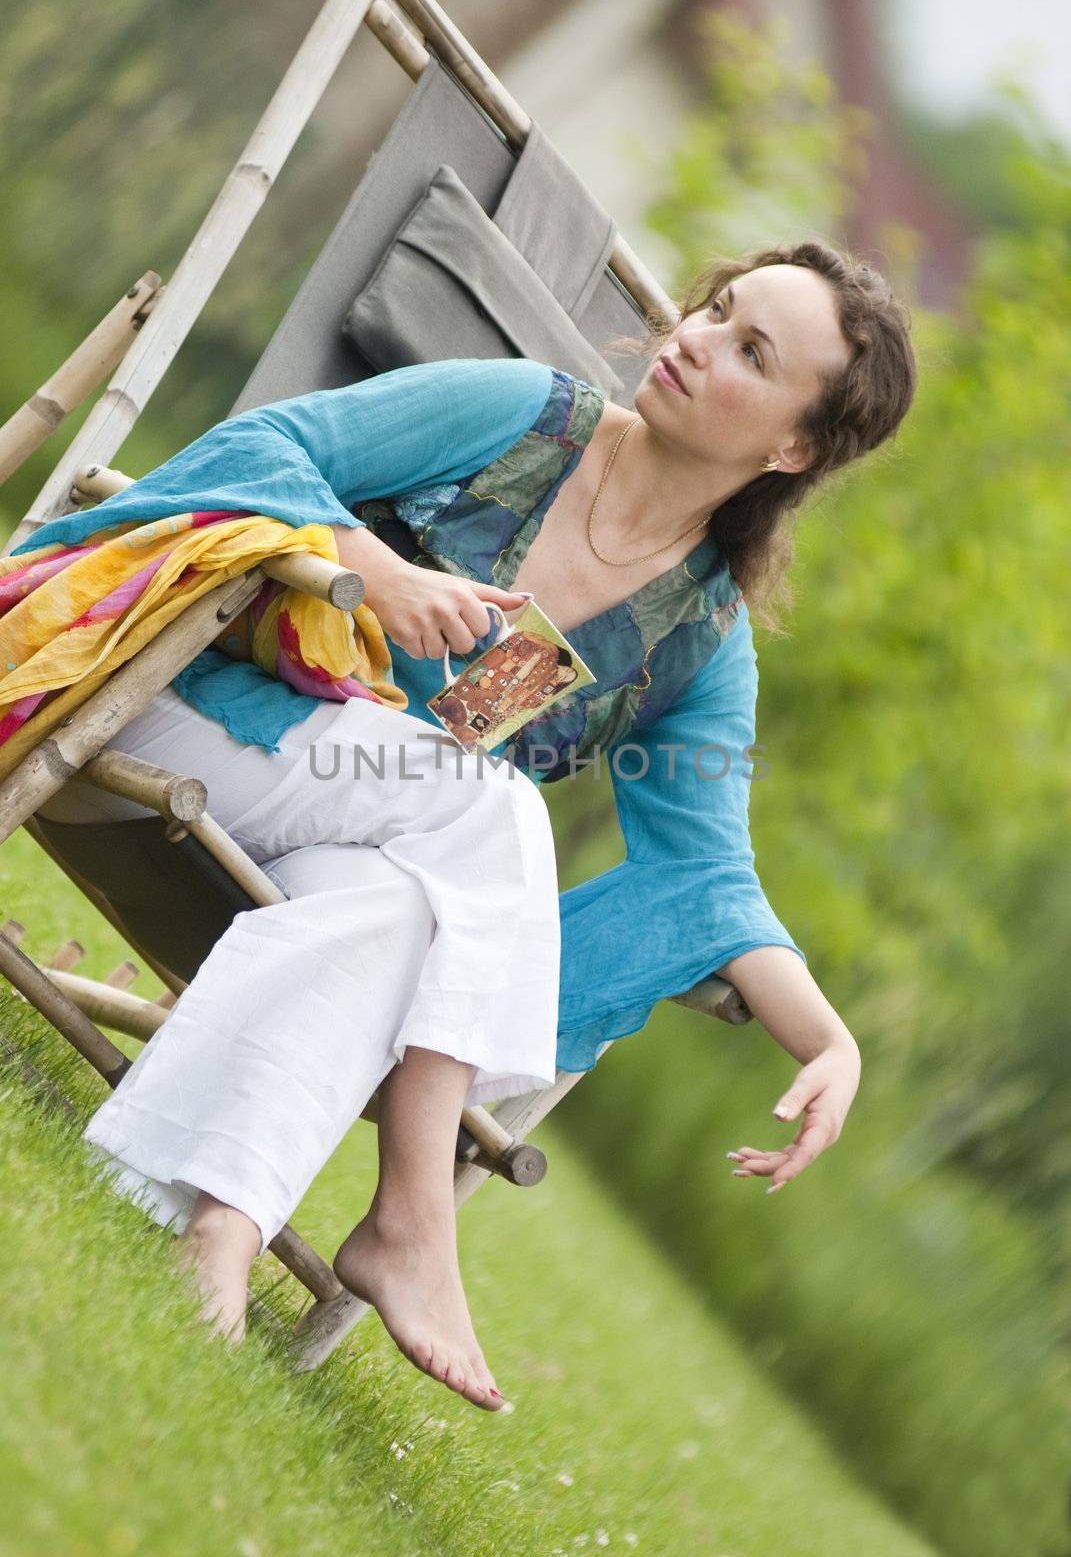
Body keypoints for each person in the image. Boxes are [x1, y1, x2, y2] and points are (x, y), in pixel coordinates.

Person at [18, 239, 917, 1412]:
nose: (693, 337)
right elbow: (261, 450)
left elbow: (705, 868)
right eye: (716, 309)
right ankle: (412, 1214)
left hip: (316, 834)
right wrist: (371, 572)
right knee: (491, 805)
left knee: (395, 913)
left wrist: (831, 1042)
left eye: (749, 351)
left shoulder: (699, 639)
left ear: (791, 448)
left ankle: (218, 1236)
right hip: (173, 704)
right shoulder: (519, 418)